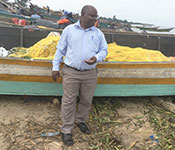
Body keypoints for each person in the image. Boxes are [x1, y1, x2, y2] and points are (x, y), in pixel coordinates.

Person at [52, 5, 108, 146]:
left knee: (86, 100)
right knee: (68, 101)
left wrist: (96, 58)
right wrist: (55, 67)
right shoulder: (69, 30)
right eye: (91, 16)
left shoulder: (98, 33)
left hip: (90, 73)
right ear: (82, 15)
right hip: (71, 71)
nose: (94, 19)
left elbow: (104, 50)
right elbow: (60, 49)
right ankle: (66, 130)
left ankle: (81, 121)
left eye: (96, 16)